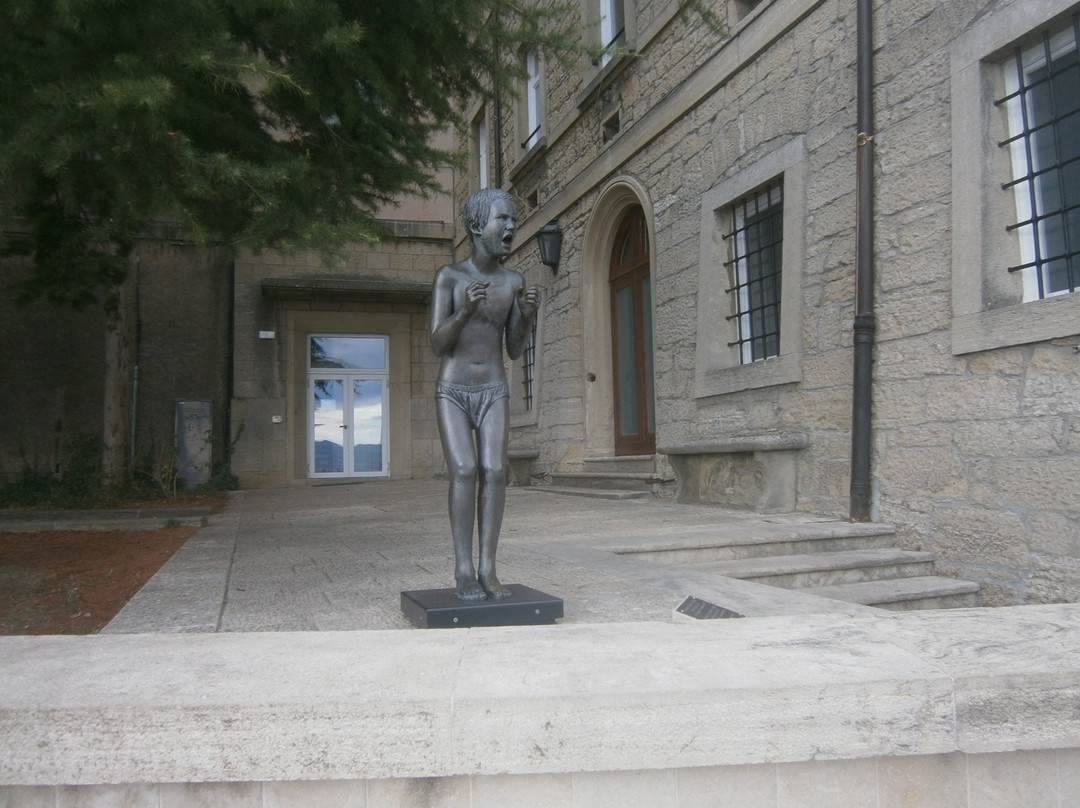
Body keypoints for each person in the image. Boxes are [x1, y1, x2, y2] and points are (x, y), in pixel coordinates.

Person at [430, 188, 541, 601]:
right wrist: (464, 311)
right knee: (464, 469)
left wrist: (526, 317)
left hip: (493, 386)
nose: (511, 226)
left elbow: (513, 348)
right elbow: (438, 343)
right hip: (453, 388)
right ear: (478, 226)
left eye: (513, 220)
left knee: (494, 471)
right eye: (503, 219)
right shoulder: (450, 277)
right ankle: (463, 568)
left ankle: (488, 568)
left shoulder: (513, 282)